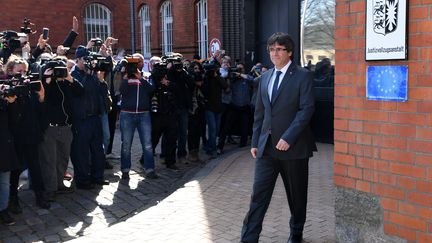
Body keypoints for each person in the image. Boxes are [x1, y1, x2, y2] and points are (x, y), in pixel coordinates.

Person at [240, 32, 316, 243]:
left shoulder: (303, 76)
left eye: (279, 49)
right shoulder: (264, 78)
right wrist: (255, 141)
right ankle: (249, 237)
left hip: (294, 148)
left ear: (289, 52)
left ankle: (296, 232)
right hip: (266, 149)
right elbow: (260, 113)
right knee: (259, 196)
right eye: (271, 49)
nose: (274, 53)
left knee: (296, 196)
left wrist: (289, 137)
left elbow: (306, 109)